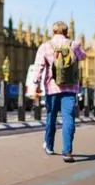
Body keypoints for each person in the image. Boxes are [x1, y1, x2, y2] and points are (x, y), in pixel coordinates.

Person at [32, 21, 87, 162]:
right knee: (68, 119)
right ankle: (67, 152)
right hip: (70, 89)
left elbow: (38, 68)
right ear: (66, 32)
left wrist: (36, 85)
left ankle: (49, 146)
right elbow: (83, 57)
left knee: (51, 117)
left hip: (52, 88)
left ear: (53, 32)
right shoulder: (73, 45)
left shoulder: (45, 46)